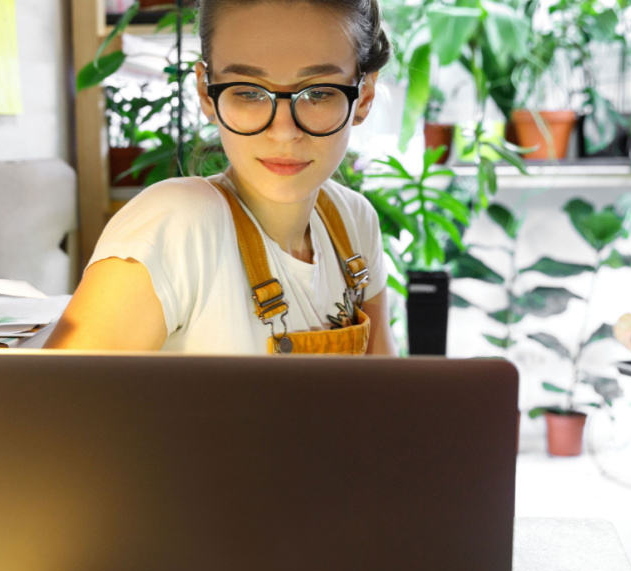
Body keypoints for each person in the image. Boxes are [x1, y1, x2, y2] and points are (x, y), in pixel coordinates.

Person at [45, 0, 396, 355]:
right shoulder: (176, 225)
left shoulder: (355, 222)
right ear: (206, 93)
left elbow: (387, 398)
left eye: (319, 92)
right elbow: (51, 405)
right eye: (248, 92)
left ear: (363, 95)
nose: (284, 132)